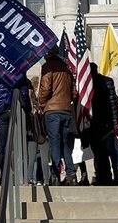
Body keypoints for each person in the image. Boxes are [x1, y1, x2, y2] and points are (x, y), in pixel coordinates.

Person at [37, 50, 74, 185]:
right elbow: (74, 91)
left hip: (52, 110)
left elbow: (45, 87)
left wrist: (41, 103)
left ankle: (55, 173)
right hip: (66, 109)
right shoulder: (66, 67)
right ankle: (71, 174)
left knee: (54, 142)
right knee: (64, 143)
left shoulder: (48, 65)